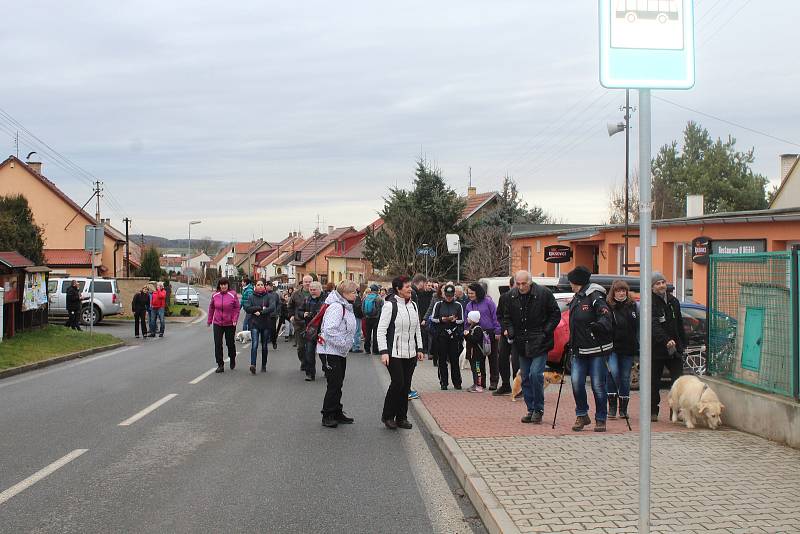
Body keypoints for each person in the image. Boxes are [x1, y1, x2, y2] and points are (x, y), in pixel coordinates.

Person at [501, 271, 561, 424]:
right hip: (521, 341)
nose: (521, 287)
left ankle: (538, 409)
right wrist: (510, 330)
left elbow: (555, 314)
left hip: (540, 340)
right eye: (518, 283)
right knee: (525, 376)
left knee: (535, 374)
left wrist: (546, 331)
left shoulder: (544, 293)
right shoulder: (511, 296)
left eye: (524, 283)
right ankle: (531, 409)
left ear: (530, 282)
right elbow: (504, 316)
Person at [567, 266, 613, 432]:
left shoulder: (595, 295)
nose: (570, 284)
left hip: (596, 349)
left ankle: (601, 418)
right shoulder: (577, 297)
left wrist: (600, 324)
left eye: (572, 281)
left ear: (577, 282)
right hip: (579, 349)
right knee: (576, 383)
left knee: (598, 385)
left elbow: (605, 313)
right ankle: (582, 414)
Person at [378, 276, 424, 430]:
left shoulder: (414, 306)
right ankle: (388, 416)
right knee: (398, 383)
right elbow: (381, 330)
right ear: (398, 289)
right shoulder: (390, 306)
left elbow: (417, 328)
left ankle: (402, 417)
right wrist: (384, 351)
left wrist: (420, 348)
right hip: (394, 352)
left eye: (410, 286)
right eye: (406, 287)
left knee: (406, 386)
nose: (410, 289)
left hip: (410, 352)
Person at [319, 280, 359, 428]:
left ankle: (336, 411)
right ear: (344, 293)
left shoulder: (346, 306)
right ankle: (327, 414)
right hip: (330, 351)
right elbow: (329, 331)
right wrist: (344, 344)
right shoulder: (336, 307)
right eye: (353, 292)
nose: (356, 294)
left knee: (338, 382)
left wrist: (345, 346)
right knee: (334, 383)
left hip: (339, 351)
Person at [651, 271, 686, 422]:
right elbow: (654, 325)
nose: (661, 286)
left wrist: (682, 344)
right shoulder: (650, 302)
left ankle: (675, 411)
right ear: (652, 287)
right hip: (656, 349)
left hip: (674, 350)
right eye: (657, 283)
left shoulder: (673, 301)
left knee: (677, 382)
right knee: (654, 382)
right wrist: (666, 340)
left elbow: (679, 324)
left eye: (663, 282)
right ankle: (653, 411)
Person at [606, 279, 638, 419]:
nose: (621, 293)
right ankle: (612, 406)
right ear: (613, 292)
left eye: (623, 290)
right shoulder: (608, 306)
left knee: (625, 378)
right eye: (618, 291)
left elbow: (637, 326)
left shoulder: (632, 306)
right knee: (613, 373)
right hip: (612, 347)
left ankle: (623, 408)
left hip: (628, 347)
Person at [465, 282, 502, 390]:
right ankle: (481, 382)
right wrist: (466, 330)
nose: (470, 295)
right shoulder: (469, 305)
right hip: (476, 334)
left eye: (472, 293)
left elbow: (495, 317)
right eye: (468, 293)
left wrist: (497, 331)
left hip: (490, 333)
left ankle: (494, 382)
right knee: (478, 360)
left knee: (493, 358)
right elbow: (466, 321)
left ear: (478, 292)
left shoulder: (488, 302)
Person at [430, 284, 464, 390]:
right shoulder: (438, 304)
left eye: (451, 296)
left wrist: (455, 320)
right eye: (447, 295)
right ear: (444, 294)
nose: (449, 298)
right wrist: (442, 319)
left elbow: (462, 320)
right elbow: (433, 319)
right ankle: (443, 382)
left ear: (454, 295)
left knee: (454, 360)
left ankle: (457, 382)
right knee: (442, 360)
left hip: (454, 336)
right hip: (442, 336)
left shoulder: (458, 305)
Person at [207, 278, 240, 373]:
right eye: (221, 285)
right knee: (218, 344)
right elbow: (211, 308)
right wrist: (209, 320)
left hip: (230, 323)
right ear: (219, 286)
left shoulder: (232, 294)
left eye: (225, 284)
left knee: (230, 343)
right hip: (217, 323)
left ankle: (232, 357)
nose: (223, 286)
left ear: (228, 285)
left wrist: (234, 319)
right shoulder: (215, 295)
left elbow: (237, 308)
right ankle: (220, 364)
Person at [245, 279, 277, 374]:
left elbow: (272, 307)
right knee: (254, 344)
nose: (260, 286)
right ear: (255, 286)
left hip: (266, 324)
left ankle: (263, 365)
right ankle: (253, 365)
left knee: (264, 346)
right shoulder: (251, 297)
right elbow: (247, 308)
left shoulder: (269, 296)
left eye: (261, 284)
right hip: (254, 323)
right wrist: (259, 308)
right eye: (258, 284)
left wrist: (262, 312)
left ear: (264, 286)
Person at [297, 280, 326, 381]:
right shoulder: (306, 299)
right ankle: (310, 373)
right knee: (309, 352)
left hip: (323, 330)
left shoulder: (326, 299)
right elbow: (299, 311)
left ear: (320, 289)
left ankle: (326, 369)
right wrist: (303, 314)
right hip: (310, 330)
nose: (312, 291)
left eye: (314, 290)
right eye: (311, 290)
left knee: (323, 353)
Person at [493, 277, 516, 396]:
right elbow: (499, 315)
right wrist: (505, 329)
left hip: (518, 334)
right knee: (502, 358)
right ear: (510, 286)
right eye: (516, 286)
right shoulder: (504, 297)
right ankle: (505, 384)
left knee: (516, 361)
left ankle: (518, 386)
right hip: (505, 333)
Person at [289, 275, 312, 360]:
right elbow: (290, 305)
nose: (308, 284)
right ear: (302, 283)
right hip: (299, 322)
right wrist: (291, 315)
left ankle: (309, 364)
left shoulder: (314, 293)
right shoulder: (296, 294)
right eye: (306, 282)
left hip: (312, 323)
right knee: (301, 346)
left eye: (310, 282)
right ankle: (303, 361)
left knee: (310, 346)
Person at [464, 310, 486, 392]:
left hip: (476, 354)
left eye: (469, 317)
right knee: (474, 369)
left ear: (473, 319)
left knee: (477, 369)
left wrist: (468, 335)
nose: (467, 319)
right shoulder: (472, 327)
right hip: (472, 353)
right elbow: (469, 339)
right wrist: (466, 335)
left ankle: (479, 385)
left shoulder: (478, 329)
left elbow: (475, 340)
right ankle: (475, 383)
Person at [423, 284, 444, 366]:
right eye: (443, 288)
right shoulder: (435, 297)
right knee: (434, 341)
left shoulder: (449, 297)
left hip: (444, 322)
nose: (444, 290)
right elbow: (430, 308)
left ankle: (442, 358)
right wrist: (425, 319)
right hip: (435, 322)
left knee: (442, 341)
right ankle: (434, 358)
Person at [362, 284, 383, 355]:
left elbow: (363, 308)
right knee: (375, 334)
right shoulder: (379, 298)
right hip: (376, 318)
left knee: (368, 334)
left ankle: (367, 349)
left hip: (367, 318)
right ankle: (375, 350)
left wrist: (365, 315)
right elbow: (382, 308)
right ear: (377, 290)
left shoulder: (366, 297)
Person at [264, 281, 281, 350]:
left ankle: (274, 342)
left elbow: (279, 304)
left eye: (270, 286)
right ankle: (264, 342)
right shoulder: (263, 294)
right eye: (268, 286)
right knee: (264, 329)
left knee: (272, 330)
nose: (269, 287)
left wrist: (277, 312)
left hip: (273, 315)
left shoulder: (275, 295)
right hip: (264, 314)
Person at [350, 287, 364, 353]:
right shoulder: (357, 298)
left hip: (351, 315)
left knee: (352, 331)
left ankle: (351, 346)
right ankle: (356, 347)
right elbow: (358, 307)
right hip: (357, 316)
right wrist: (362, 315)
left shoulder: (348, 297)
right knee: (357, 331)